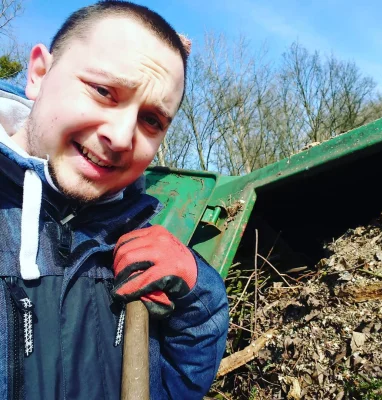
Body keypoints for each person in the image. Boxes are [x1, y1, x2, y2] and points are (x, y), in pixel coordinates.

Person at [0, 1, 229, 399]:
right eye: (104, 91)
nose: (122, 137)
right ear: (38, 74)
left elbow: (176, 388)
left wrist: (199, 292)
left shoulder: (129, 238)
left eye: (152, 120)